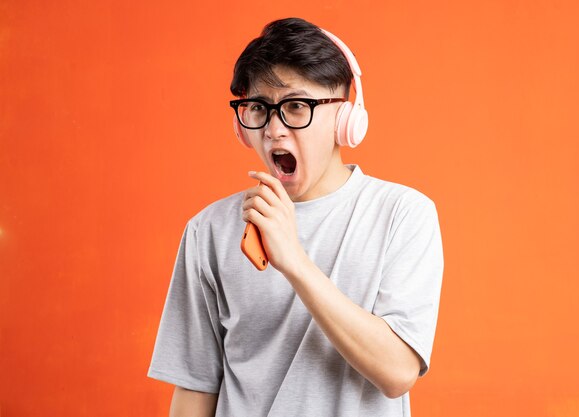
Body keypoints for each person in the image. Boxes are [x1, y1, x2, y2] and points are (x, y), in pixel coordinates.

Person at [148, 17, 444, 417]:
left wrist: (296, 263)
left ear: (345, 118)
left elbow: (398, 372)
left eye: (295, 106)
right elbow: (195, 391)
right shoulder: (208, 231)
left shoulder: (403, 215)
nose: (273, 129)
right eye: (258, 108)